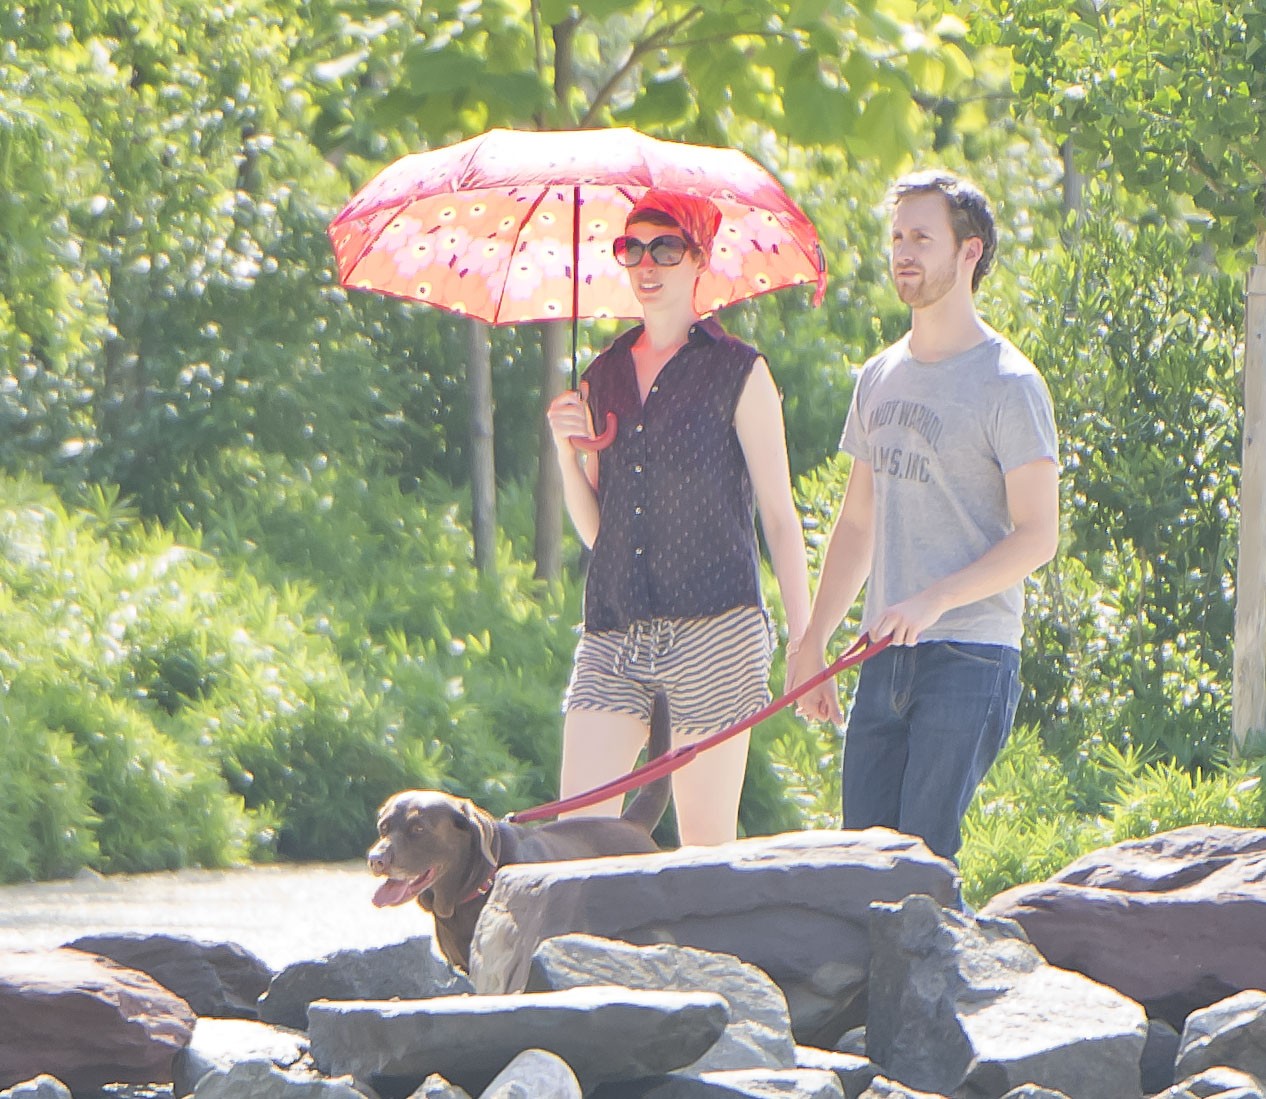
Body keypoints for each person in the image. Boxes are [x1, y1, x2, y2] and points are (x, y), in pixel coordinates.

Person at [787, 170, 1059, 863]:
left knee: (924, 864)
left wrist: (933, 600)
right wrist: (812, 643)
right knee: (862, 863)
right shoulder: (879, 376)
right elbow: (856, 524)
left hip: (971, 654)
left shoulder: (1010, 384)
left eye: (922, 238)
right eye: (898, 236)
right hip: (884, 655)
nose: (904, 252)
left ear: (969, 252)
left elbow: (1039, 534)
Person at [545, 188, 811, 846]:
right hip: (614, 629)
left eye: (665, 247)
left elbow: (779, 516)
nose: (646, 263)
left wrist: (804, 638)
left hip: (716, 628)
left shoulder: (740, 371)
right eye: (631, 247)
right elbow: (596, 534)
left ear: (700, 259)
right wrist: (562, 449)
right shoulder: (601, 373)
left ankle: (704, 952)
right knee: (574, 837)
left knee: (704, 849)